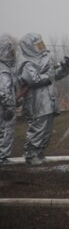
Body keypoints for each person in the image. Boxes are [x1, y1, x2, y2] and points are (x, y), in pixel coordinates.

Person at [16, 32, 69, 165]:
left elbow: (54, 76)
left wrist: (65, 68)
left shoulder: (44, 58)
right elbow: (34, 80)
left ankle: (39, 153)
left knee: (47, 129)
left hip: (48, 99)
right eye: (37, 44)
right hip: (36, 101)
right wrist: (51, 74)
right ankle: (31, 154)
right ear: (30, 46)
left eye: (41, 43)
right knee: (38, 128)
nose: (41, 46)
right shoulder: (26, 62)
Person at [0, 35, 18, 165]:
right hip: (4, 107)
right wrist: (9, 106)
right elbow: (4, 90)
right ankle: (2, 156)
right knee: (6, 130)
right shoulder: (4, 70)